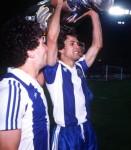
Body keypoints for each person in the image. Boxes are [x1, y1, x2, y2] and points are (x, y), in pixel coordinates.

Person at [43, 1, 103, 148]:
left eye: (78, 43)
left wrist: (94, 14)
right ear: (61, 49)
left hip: (87, 129)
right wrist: (59, 5)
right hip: (66, 134)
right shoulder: (53, 69)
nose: (78, 46)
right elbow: (51, 38)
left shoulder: (80, 67)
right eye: (72, 44)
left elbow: (97, 45)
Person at [0, 16, 50, 149]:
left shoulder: (31, 84)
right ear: (30, 51)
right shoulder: (13, 89)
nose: (47, 48)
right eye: (43, 41)